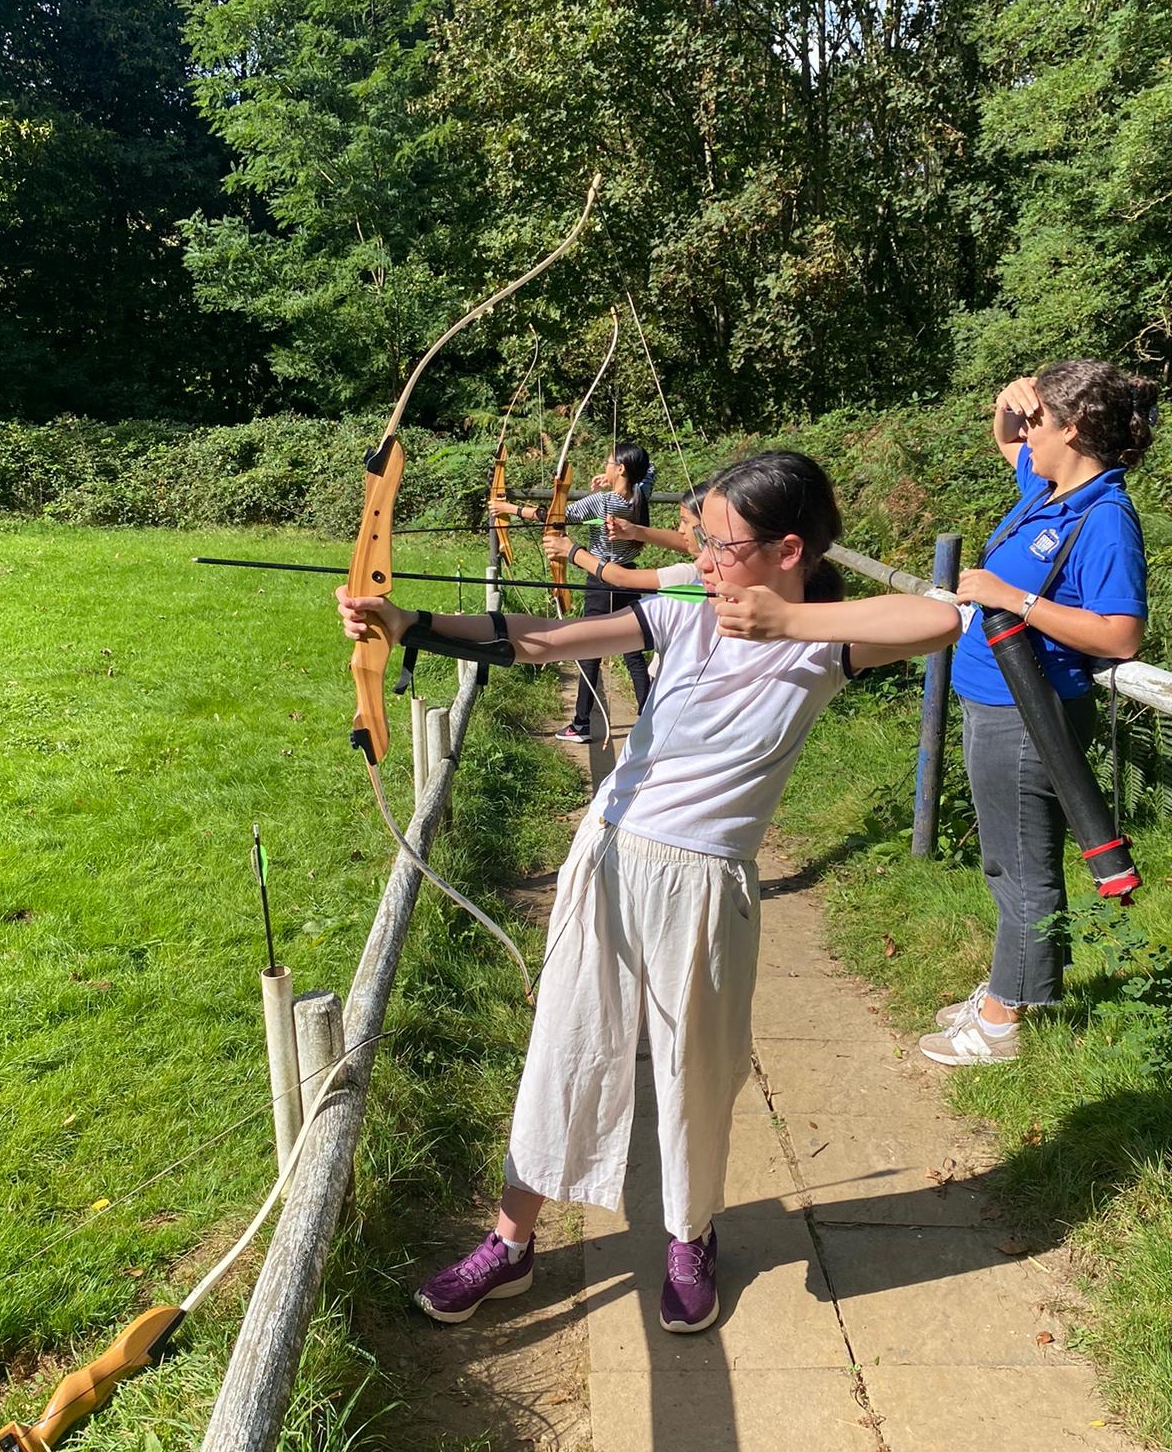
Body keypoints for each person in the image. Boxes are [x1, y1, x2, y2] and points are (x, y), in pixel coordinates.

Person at [338, 450, 960, 1333]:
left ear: (788, 550)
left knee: (693, 1070)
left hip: (705, 883)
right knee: (567, 1045)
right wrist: (410, 624)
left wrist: (787, 621)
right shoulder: (687, 607)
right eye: (698, 540)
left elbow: (939, 617)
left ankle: (690, 1235)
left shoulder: (828, 639)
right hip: (611, 855)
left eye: (719, 544)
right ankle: (511, 1243)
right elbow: (541, 639)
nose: (699, 560)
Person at [918, 360, 1155, 1067]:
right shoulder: (1049, 491)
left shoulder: (1103, 517)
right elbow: (1004, 440)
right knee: (1006, 857)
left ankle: (1003, 1022)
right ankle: (1011, 984)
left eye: (1037, 421)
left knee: (1021, 866)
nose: (1024, 434)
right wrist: (1007, 398)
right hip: (994, 701)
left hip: (1031, 715)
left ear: (1072, 429)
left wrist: (1010, 597)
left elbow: (1121, 634)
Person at [492, 442, 656, 741]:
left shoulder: (603, 502)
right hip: (629, 577)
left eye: (609, 463)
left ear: (621, 468)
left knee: (589, 649)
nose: (605, 466)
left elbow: (555, 515)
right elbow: (649, 468)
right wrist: (614, 477)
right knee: (633, 651)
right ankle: (650, 718)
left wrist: (509, 508)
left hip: (601, 580)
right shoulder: (639, 495)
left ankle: (581, 725)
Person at [543, 480, 709, 595]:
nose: (680, 529)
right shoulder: (712, 560)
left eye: (685, 521)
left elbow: (623, 578)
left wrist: (571, 551)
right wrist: (634, 531)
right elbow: (688, 543)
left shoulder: (694, 573)